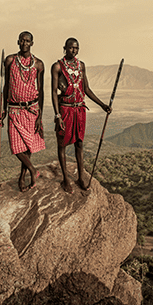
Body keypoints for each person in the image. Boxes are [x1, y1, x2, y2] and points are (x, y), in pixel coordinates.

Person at [50, 38, 111, 192]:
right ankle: (65, 179)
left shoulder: (81, 65)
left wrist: (102, 105)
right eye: (71, 48)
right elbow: (53, 92)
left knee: (79, 143)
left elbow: (86, 89)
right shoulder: (57, 66)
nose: (74, 51)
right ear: (65, 48)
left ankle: (80, 177)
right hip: (65, 109)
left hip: (79, 110)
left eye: (76, 48)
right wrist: (57, 115)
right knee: (62, 143)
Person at [0, 31, 45, 191]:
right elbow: (6, 86)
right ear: (18, 42)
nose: (24, 43)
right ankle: (33, 170)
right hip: (14, 109)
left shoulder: (38, 64)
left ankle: (22, 178)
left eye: (27, 41)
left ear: (32, 43)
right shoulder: (10, 60)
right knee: (15, 146)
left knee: (27, 147)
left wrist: (40, 116)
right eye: (22, 40)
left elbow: (42, 91)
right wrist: (3, 109)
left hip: (32, 109)